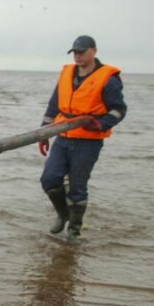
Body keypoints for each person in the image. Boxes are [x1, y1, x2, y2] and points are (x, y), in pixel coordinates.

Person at [38, 35, 126, 241]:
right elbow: (53, 105)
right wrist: (44, 132)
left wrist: (101, 124)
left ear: (93, 51)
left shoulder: (108, 79)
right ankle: (62, 214)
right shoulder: (67, 73)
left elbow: (118, 110)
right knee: (49, 179)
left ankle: (74, 231)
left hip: (88, 140)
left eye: (82, 52)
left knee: (77, 187)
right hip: (63, 135)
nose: (78, 56)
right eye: (75, 52)